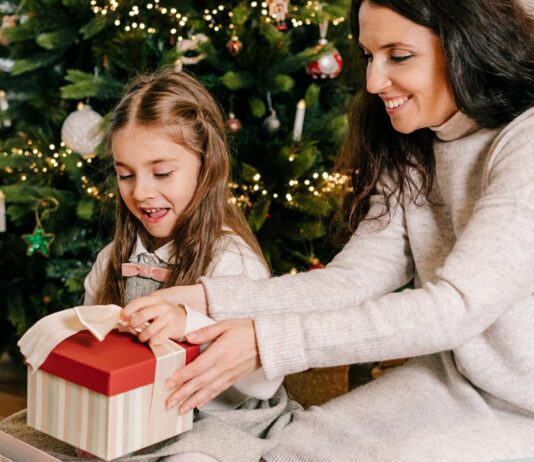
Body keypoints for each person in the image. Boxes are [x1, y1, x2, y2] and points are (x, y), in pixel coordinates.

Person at [126, 0, 534, 460]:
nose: (373, 82)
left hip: (524, 409)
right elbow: (355, 279)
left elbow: (455, 308)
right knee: (293, 449)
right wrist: (206, 300)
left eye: (398, 56)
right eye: (368, 55)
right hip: (454, 380)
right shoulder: (417, 142)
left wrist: (268, 342)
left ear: (469, 45)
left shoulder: (525, 143)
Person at [0, 69, 295, 462]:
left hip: (219, 420)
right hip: (130, 416)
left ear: (205, 167)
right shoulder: (112, 259)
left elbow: (258, 382)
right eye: (125, 175)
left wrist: (188, 326)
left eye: (162, 173)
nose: (140, 192)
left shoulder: (232, 261)